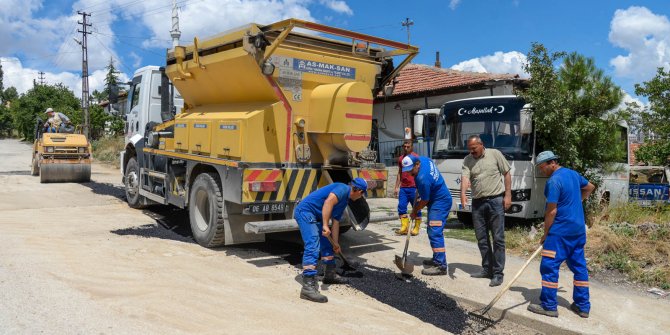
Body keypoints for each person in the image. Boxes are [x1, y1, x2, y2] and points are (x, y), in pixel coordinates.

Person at [527, 151, 595, 318]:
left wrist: (546, 233)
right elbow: (590, 187)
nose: (542, 171)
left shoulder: (554, 181)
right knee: (579, 268)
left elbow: (551, 211)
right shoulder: (572, 174)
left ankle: (549, 306)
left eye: (542, 168)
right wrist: (578, 201)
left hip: (560, 233)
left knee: (549, 267)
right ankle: (582, 306)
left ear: (552, 163)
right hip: (578, 231)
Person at [295, 178, 369, 303]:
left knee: (328, 243)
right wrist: (324, 225)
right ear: (359, 191)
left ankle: (329, 274)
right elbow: (328, 202)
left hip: (317, 216)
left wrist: (335, 243)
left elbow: (336, 222)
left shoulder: (345, 200)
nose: (361, 197)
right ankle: (307, 286)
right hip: (306, 212)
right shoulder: (343, 189)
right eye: (363, 194)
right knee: (313, 243)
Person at [460, 135, 511, 287]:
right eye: (469, 149)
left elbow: (507, 173)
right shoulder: (468, 160)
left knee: (498, 238)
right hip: (478, 203)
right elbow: (464, 178)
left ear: (481, 145)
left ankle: (497, 273)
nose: (472, 152)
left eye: (474, 148)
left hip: (496, 201)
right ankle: (487, 268)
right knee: (482, 238)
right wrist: (463, 194)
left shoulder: (495, 154)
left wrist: (508, 195)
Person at [401, 155, 453, 276]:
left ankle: (441, 266)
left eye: (411, 170)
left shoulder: (422, 178)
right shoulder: (424, 160)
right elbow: (429, 161)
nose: (409, 173)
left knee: (435, 231)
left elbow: (424, 200)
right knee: (431, 230)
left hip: (440, 202)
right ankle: (436, 259)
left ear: (417, 164)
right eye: (407, 170)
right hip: (437, 198)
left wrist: (414, 211)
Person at [394, 140, 422, 236]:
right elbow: (399, 173)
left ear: (412, 147)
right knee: (401, 207)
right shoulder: (401, 159)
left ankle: (416, 228)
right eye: (404, 146)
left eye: (408, 146)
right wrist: (396, 187)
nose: (406, 148)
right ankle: (404, 227)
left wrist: (420, 187)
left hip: (414, 188)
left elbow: (420, 172)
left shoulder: (416, 157)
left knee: (416, 208)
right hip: (403, 188)